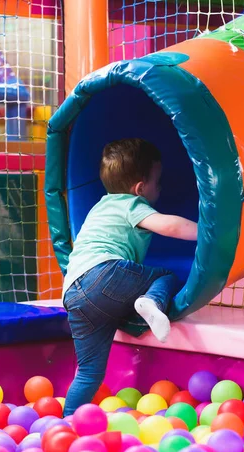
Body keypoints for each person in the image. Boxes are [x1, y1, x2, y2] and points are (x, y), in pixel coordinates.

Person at [62, 138, 198, 416]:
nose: (160, 187)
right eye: (157, 182)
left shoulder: (99, 206)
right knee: (165, 275)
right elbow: (169, 225)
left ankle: (66, 422)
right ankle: (151, 302)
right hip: (105, 274)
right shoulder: (131, 204)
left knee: (88, 372)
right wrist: (209, 232)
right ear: (140, 188)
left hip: (74, 294)